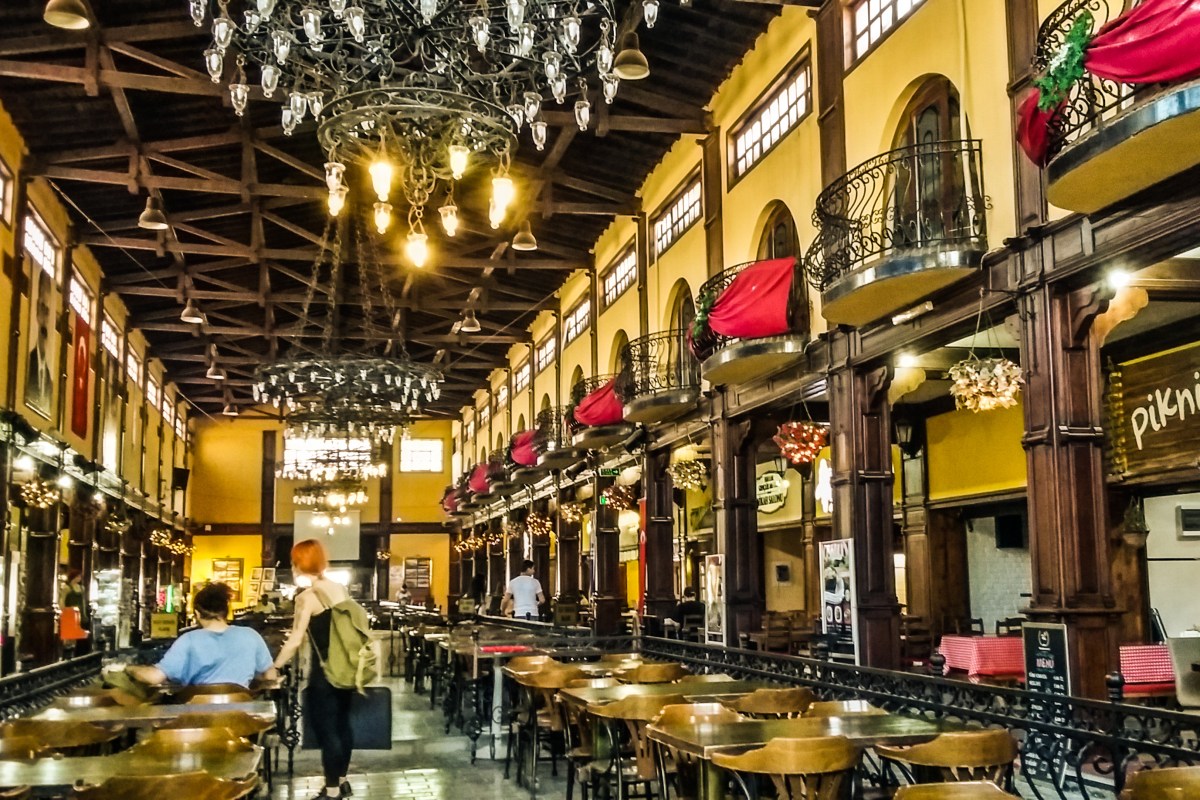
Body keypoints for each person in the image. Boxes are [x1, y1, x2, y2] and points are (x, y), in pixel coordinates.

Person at [273, 540, 355, 800]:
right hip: (348, 667)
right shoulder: (340, 589)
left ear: (299, 564)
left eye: (293, 562)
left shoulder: (306, 597)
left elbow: (296, 639)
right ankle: (342, 781)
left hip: (325, 673)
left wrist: (275, 666)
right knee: (342, 725)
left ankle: (332, 792)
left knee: (326, 730)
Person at [126, 583, 276, 688]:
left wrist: (129, 668)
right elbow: (270, 675)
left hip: (197, 717)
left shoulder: (189, 640)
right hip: (241, 717)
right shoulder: (250, 636)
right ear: (226, 611)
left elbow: (155, 677)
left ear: (197, 614)